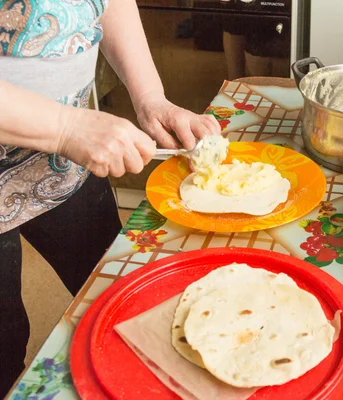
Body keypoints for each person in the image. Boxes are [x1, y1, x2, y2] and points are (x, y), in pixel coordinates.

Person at [0, 0, 220, 395]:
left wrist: (151, 97)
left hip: (64, 166)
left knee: (126, 297)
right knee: (4, 346)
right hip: (66, 136)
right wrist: (66, 128)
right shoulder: (68, 130)